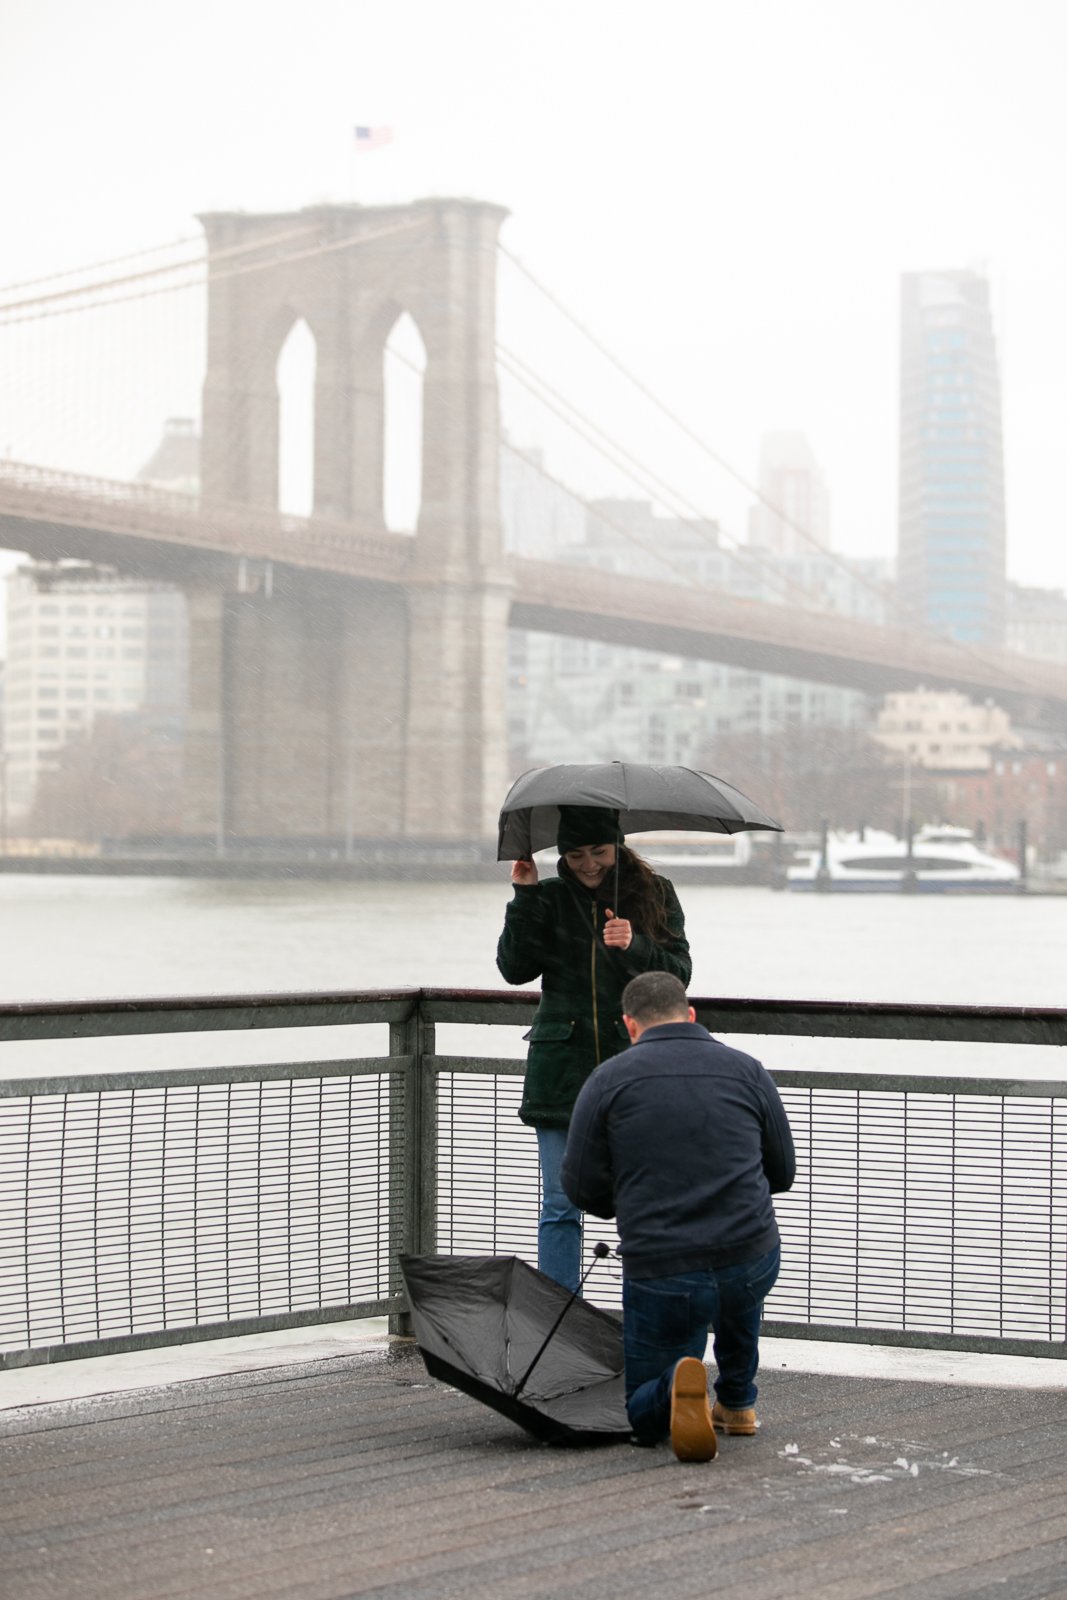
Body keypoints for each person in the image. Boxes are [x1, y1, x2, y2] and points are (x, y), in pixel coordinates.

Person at [561, 970, 795, 1462]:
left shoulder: (607, 1080)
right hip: (750, 1258)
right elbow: (782, 1171)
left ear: (629, 1025)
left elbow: (580, 1183)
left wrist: (619, 1208)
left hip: (663, 1266)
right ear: (691, 1015)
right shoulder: (748, 1070)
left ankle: (671, 1385)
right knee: (736, 1279)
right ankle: (737, 1403)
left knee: (642, 1418)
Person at [496, 805, 691, 1294]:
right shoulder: (547, 897)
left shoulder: (655, 892)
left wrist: (635, 945)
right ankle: (561, 1318)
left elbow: (678, 976)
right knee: (560, 1202)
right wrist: (523, 895)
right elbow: (514, 969)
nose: (588, 864)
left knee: (639, 1200)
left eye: (599, 852)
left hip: (634, 1067)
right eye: (576, 853)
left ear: (618, 847)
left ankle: (646, 1310)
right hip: (562, 1067)